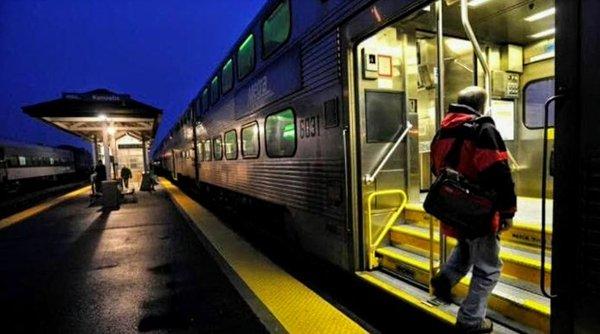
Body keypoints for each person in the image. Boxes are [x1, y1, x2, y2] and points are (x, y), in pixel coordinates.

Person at [429, 86, 516, 333]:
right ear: (482, 105)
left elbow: (436, 169)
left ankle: (444, 279)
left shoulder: (443, 131)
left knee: (466, 247)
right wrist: (508, 211)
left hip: (453, 209)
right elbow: (500, 174)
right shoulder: (482, 129)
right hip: (479, 212)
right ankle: (470, 319)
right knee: (489, 268)